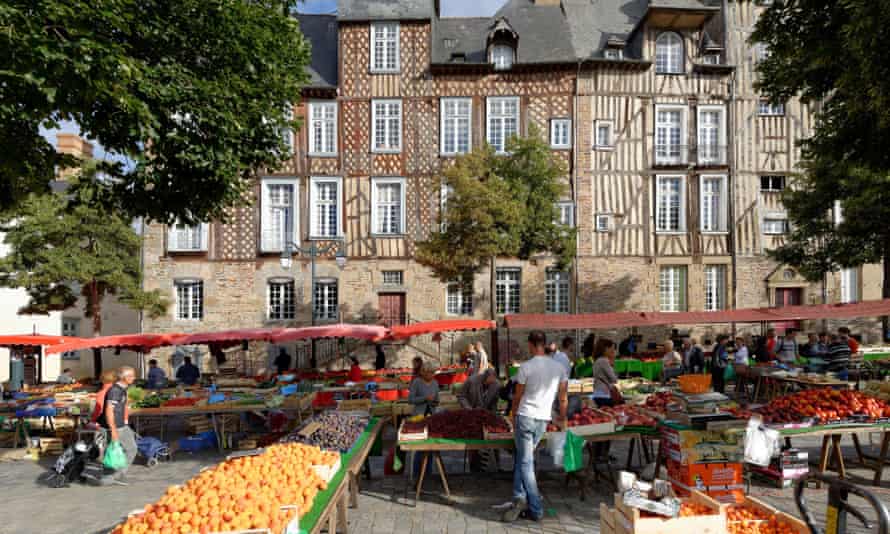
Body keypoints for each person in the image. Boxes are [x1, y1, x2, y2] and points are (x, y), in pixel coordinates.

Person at [503, 331, 568, 523]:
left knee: (525, 462)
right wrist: (562, 418)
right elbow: (563, 398)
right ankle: (518, 497)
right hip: (542, 418)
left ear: (531, 345)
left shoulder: (526, 367)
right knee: (524, 458)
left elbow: (517, 397)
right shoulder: (559, 367)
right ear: (544, 344)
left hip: (525, 416)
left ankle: (535, 507)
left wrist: (513, 416)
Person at [100, 366, 138, 483]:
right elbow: (109, 410)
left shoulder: (121, 389)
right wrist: (113, 429)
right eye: (130, 376)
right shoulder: (115, 390)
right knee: (128, 449)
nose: (134, 378)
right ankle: (114, 476)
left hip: (118, 425)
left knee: (115, 450)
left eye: (133, 375)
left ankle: (112, 476)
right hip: (116, 426)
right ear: (123, 377)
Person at [591, 338, 620, 407]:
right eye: (612, 349)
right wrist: (612, 362)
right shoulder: (604, 361)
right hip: (605, 394)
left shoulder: (597, 360)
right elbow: (614, 379)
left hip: (598, 393)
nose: (613, 351)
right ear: (606, 349)